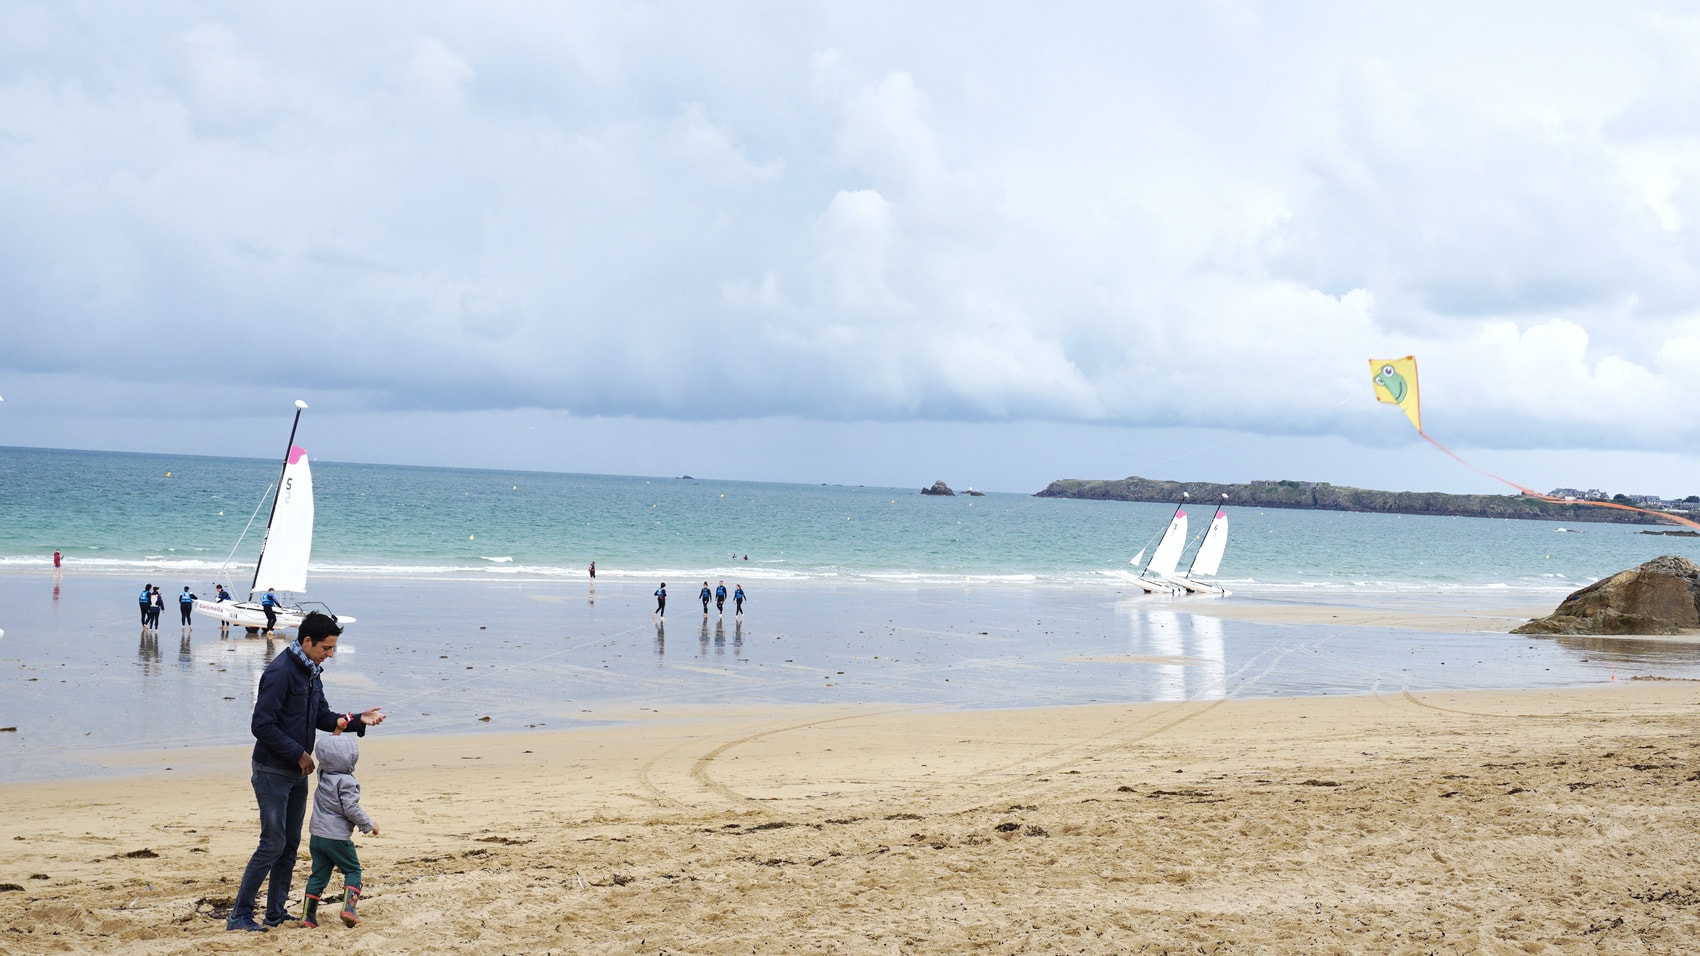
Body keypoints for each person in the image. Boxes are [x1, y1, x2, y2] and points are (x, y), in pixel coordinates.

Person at [228, 611, 385, 932]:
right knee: (271, 844)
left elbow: (323, 716)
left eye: (333, 649)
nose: (330, 655)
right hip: (272, 770)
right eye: (326, 648)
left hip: (298, 773)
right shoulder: (280, 672)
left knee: (289, 845)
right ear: (307, 641)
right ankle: (240, 915)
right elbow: (261, 725)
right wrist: (298, 754)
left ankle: (275, 913)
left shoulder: (311, 672)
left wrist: (355, 720)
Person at [302, 722, 378, 928]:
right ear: (352, 758)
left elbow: (328, 749)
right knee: (353, 870)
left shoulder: (324, 774)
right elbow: (351, 809)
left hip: (317, 837)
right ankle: (348, 909)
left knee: (319, 874)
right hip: (337, 838)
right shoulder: (347, 782)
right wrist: (368, 825)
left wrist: (338, 730)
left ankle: (308, 917)